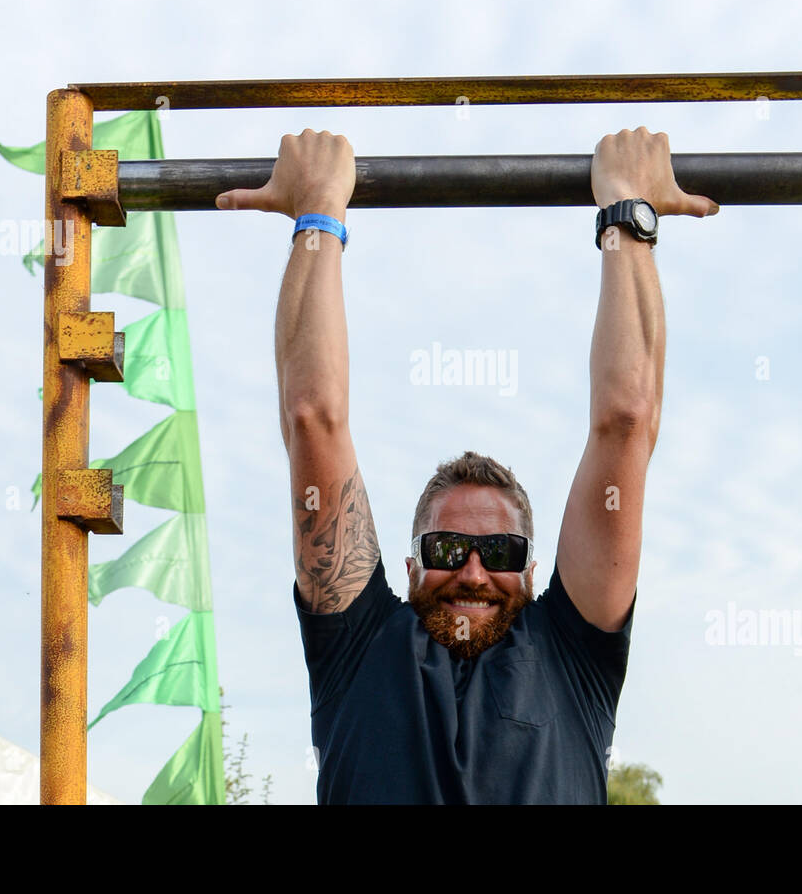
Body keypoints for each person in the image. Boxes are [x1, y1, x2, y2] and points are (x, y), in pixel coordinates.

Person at [216, 127, 717, 803]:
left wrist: (626, 213)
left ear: (533, 571)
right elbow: (311, 415)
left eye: (500, 549)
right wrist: (318, 212)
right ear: (411, 564)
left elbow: (626, 421)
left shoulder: (572, 655)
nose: (474, 570)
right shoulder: (360, 648)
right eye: (448, 547)